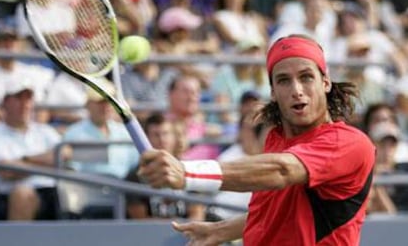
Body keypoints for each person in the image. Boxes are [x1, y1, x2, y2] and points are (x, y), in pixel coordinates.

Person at [138, 34, 375, 245]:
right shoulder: (276, 139)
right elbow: (272, 211)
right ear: (272, 91)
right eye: (283, 80)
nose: (296, 89)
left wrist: (187, 173)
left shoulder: (349, 143)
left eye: (306, 77)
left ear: (325, 82)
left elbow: (282, 170)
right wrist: (220, 231)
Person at [0, 76, 71, 220]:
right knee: (22, 194)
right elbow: (6, 171)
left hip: (52, 194)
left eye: (28, 98)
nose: (24, 104)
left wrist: (25, 160)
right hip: (8, 197)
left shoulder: (44, 130)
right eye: (18, 98)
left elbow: (65, 153)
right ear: (5, 103)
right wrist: (48, 164)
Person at [125, 113, 205, 220]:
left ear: (174, 137)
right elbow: (141, 221)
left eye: (166, 133)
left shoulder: (188, 170)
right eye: (156, 135)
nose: (162, 139)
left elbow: (197, 214)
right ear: (146, 138)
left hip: (187, 233)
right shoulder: (135, 176)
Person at [63, 78, 139, 179]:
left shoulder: (124, 131)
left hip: (124, 188)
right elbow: (71, 170)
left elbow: (136, 165)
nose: (106, 106)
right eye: (100, 102)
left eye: (109, 101)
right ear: (88, 104)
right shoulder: (74, 133)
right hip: (88, 189)